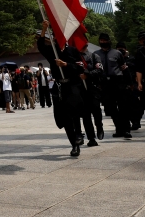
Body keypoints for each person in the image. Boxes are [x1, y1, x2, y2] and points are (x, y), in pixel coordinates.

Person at [36, 22, 97, 156]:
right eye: (55, 36)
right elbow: (40, 46)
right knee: (65, 118)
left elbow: (80, 67)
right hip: (59, 87)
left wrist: (66, 65)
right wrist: (44, 29)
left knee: (76, 112)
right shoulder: (52, 51)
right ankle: (74, 144)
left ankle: (81, 134)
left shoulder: (73, 51)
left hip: (73, 86)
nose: (57, 39)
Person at [96, 34, 132, 139]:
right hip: (105, 84)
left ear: (109, 41)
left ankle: (126, 129)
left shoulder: (117, 53)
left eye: (105, 40)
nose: (103, 42)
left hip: (118, 82)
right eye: (101, 40)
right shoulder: (96, 54)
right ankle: (119, 129)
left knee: (123, 107)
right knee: (111, 108)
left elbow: (124, 68)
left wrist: (129, 83)